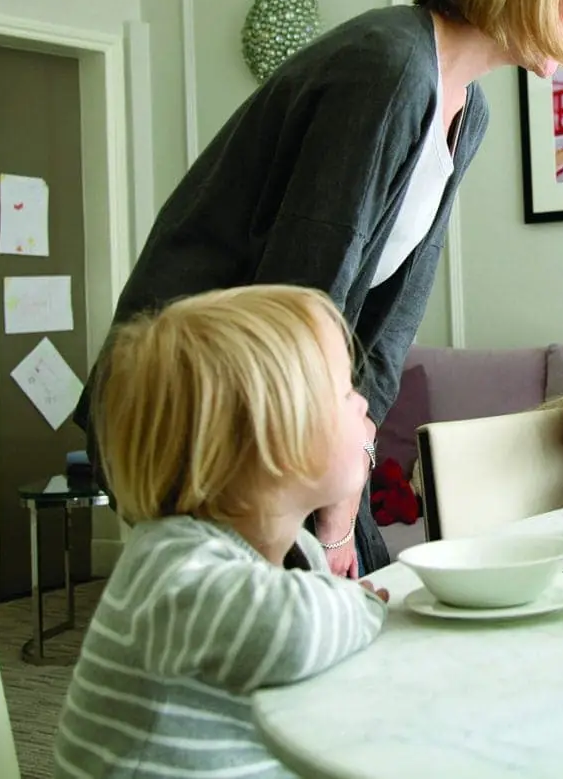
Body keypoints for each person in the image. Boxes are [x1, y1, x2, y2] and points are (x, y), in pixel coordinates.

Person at [74, 0, 563, 577]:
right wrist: (335, 509)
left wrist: (348, 486)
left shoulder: (467, 110)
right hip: (194, 405)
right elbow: (302, 305)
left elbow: (386, 333)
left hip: (275, 398)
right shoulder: (390, 68)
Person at [54, 285, 388, 776]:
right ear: (271, 442)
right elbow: (289, 634)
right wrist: (360, 606)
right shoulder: (170, 564)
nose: (363, 404)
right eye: (343, 391)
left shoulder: (301, 548)